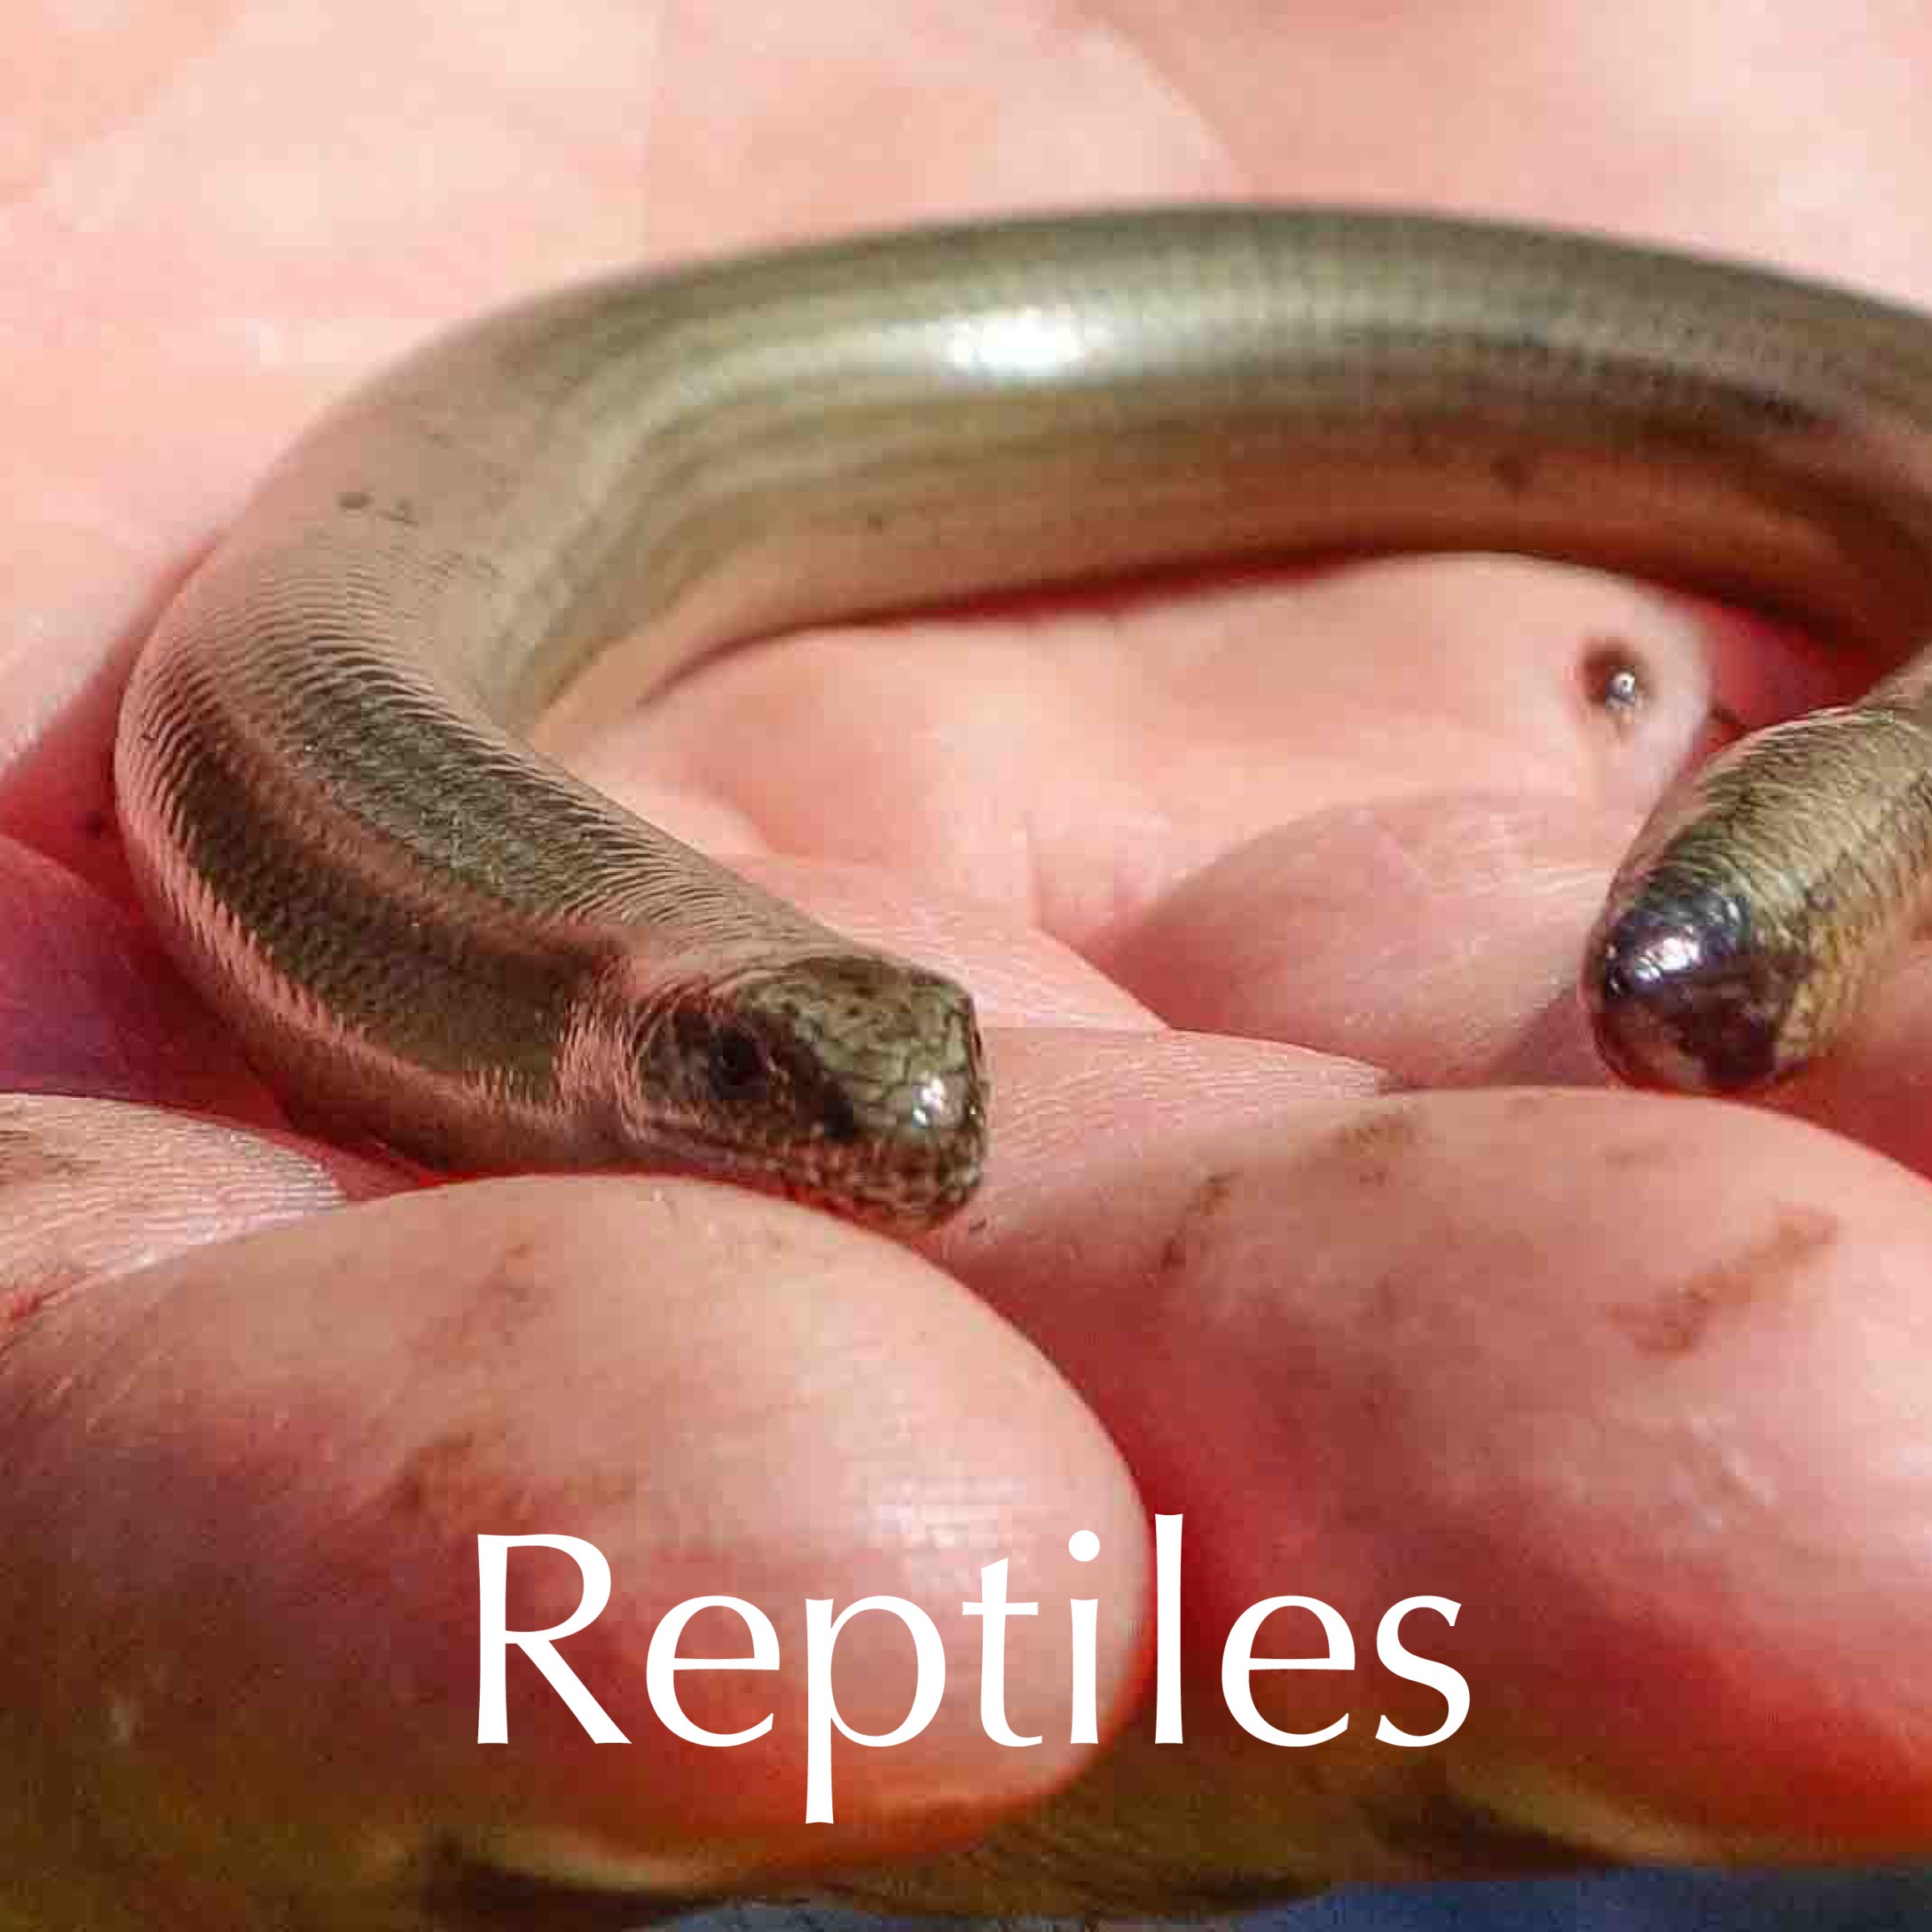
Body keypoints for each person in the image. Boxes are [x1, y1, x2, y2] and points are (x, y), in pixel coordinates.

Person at [6, 3, 1932, 1926]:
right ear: (636, 1037)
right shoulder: (337, 769)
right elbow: (285, 705)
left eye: (938, 1074)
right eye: (750, 1075)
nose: (913, 1138)